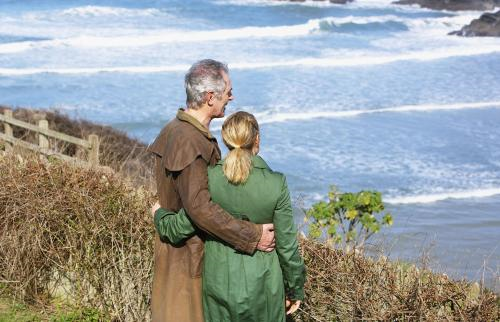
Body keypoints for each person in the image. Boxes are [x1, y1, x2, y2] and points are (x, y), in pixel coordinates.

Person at [147, 60, 276, 322]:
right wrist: (253, 235)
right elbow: (199, 209)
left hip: (177, 258)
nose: (231, 96)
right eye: (228, 89)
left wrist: (163, 217)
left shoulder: (176, 129)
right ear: (209, 97)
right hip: (188, 264)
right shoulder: (191, 140)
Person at [153, 111, 306, 322]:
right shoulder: (276, 183)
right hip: (264, 285)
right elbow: (288, 248)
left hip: (218, 284)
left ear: (226, 141)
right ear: (257, 139)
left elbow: (180, 227)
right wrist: (294, 289)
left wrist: (159, 214)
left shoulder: (210, 179)